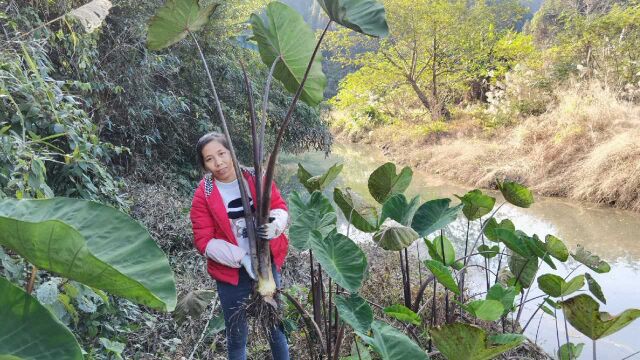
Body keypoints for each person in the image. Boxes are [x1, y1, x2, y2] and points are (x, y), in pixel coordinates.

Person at [189, 132, 290, 360]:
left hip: (266, 265)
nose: (219, 162)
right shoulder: (204, 194)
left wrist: (275, 225)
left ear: (231, 152)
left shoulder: (256, 177)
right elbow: (203, 240)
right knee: (236, 337)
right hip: (231, 274)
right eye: (209, 159)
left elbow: (278, 205)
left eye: (222, 154)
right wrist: (242, 258)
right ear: (204, 164)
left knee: (277, 331)